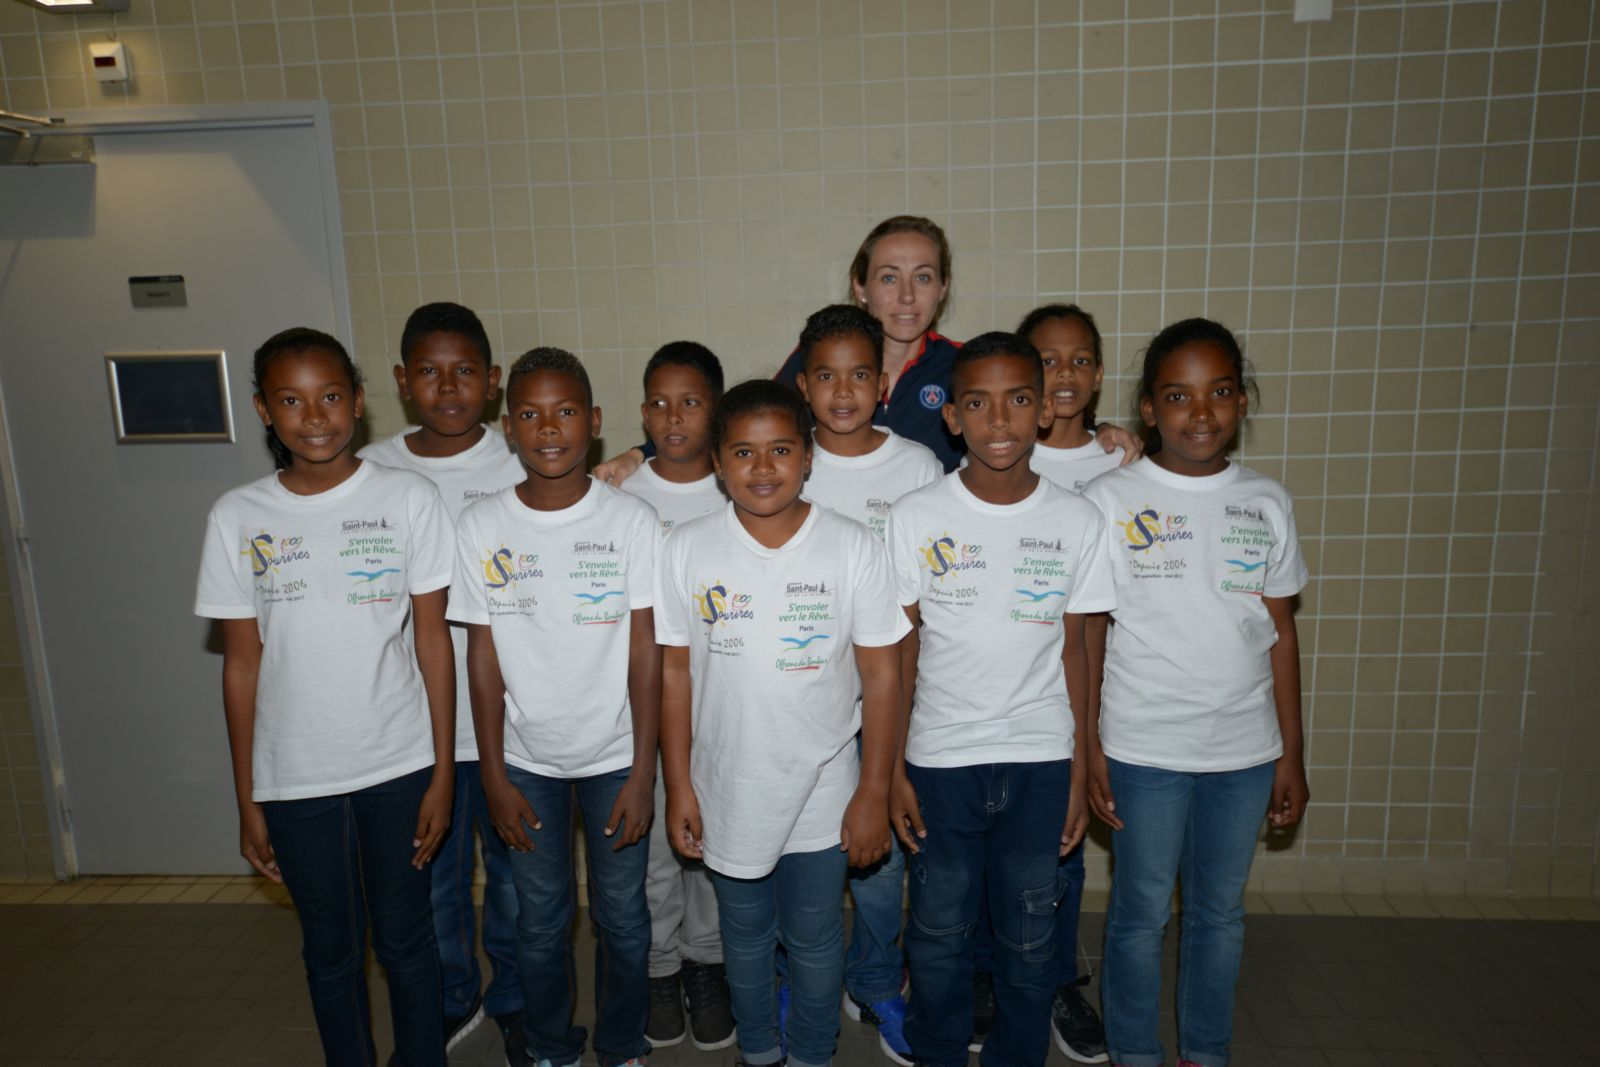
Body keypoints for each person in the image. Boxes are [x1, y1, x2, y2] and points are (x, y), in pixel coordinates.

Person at [196, 327, 455, 1065]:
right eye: (292, 400)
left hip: (398, 762)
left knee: (407, 941)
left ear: (361, 401)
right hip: (294, 773)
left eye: (332, 395)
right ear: (263, 410)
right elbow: (240, 664)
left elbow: (433, 641)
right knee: (331, 948)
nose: (316, 416)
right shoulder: (237, 517)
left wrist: (441, 769)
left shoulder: (408, 497)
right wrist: (249, 795)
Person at [655, 380, 908, 1067]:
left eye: (780, 450)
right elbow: (674, 674)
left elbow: (884, 676)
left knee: (817, 935)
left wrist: (874, 791)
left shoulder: (853, 547)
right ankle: (761, 1050)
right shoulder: (685, 549)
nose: (762, 468)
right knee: (743, 933)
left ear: (808, 457)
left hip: (827, 784)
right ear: (716, 462)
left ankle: (812, 1053)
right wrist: (678, 784)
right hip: (727, 782)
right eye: (743, 451)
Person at [1078, 318, 1310, 1067]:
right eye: (1178, 394)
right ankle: (1134, 1054)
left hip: (1244, 751)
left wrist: (1291, 754)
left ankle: (1204, 1054)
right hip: (1144, 746)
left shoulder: (1266, 501)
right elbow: (1084, 638)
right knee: (1140, 913)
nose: (1199, 412)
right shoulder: (1109, 499)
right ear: (1148, 408)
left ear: (1242, 402)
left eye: (1218, 393)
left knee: (1219, 913)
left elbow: (1281, 633)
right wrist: (1090, 747)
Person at [885, 332, 1115, 1067]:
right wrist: (890, 769)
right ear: (952, 417)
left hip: (1042, 760)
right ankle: (939, 1052)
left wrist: (1081, 767)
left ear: (1045, 410)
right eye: (978, 404)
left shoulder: (1078, 521)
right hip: (941, 760)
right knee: (938, 934)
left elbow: (1080, 648)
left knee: (1029, 937)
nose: (999, 421)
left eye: (1019, 400)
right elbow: (899, 652)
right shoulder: (917, 516)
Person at [450, 348, 661, 1067]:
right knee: (540, 922)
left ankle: (623, 1045)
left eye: (566, 411)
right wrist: (494, 774)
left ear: (595, 423)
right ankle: (549, 1047)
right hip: (524, 763)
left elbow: (646, 651)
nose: (549, 428)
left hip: (616, 759)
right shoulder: (482, 528)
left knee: (625, 920)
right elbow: (482, 657)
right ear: (508, 427)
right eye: (531, 414)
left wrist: (643, 770)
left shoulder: (632, 522)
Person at [594, 216, 1139, 484]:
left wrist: (1101, 431)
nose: (906, 297)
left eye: (923, 277)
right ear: (859, 285)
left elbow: (1025, 414)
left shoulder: (963, 363)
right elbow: (738, 432)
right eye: (888, 277)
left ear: (944, 287)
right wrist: (638, 455)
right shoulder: (815, 364)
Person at [358, 302, 528, 1061]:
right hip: (419, 727)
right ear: (401, 381)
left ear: (493, 383)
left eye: (465, 371)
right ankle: (454, 994)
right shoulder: (376, 474)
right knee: (436, 881)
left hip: (516, 717)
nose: (449, 386)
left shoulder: (526, 455)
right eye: (429, 370)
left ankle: (518, 995)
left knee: (522, 882)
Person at [793, 303, 940, 1065]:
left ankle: (878, 978)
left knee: (879, 856)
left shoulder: (915, 465)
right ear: (803, 383)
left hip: (886, 696)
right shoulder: (786, 459)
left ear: (882, 383)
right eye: (825, 375)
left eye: (859, 374)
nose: (843, 390)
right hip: (799, 697)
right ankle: (798, 979)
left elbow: (918, 596)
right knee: (803, 854)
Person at [617, 341, 736, 1051]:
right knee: (659, 851)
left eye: (691, 401)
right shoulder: (619, 493)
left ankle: (707, 962)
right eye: (658, 402)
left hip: (720, 702)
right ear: (640, 414)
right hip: (643, 704)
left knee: (711, 844)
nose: (673, 416)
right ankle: (661, 967)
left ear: (716, 408)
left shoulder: (743, 486)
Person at [1014, 302, 1119, 1063]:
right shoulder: (1001, 453)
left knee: (1063, 845)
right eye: (1046, 361)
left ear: (1102, 373)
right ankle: (1001, 973)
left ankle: (1054, 979)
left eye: (1080, 358)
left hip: (1102, 682)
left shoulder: (1123, 463)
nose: (1065, 374)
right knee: (1002, 850)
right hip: (1016, 692)